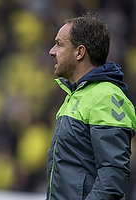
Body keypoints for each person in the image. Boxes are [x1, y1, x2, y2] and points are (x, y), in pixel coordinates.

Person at [46, 13, 136, 200]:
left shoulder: (106, 96)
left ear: (80, 52)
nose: (52, 51)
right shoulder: (75, 95)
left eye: (59, 44)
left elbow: (112, 176)